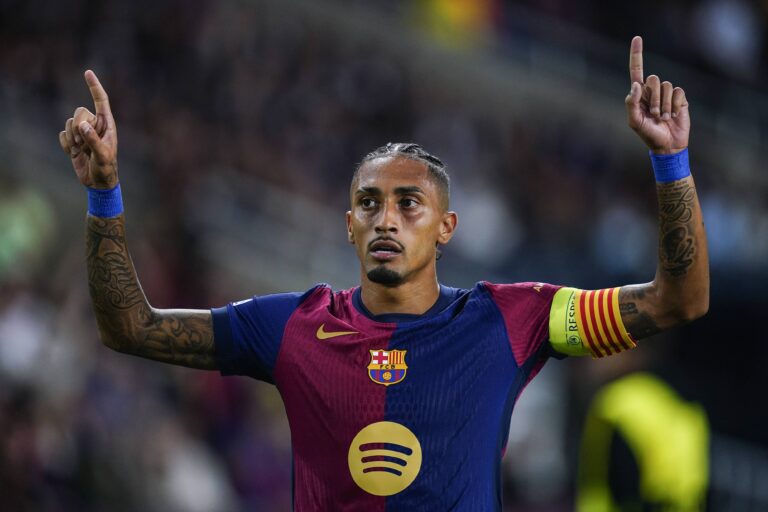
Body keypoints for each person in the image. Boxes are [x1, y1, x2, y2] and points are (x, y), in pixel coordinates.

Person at [59, 36, 709, 510]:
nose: (386, 219)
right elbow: (130, 327)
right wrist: (104, 192)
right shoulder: (290, 327)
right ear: (349, 226)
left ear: (446, 227)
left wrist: (671, 163)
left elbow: (678, 300)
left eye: (409, 204)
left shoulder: (512, 320)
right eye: (369, 204)